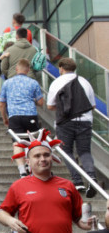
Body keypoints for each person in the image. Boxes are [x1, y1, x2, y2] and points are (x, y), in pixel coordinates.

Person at [46, 57, 97, 195]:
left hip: (65, 122)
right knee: (84, 151)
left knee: (66, 150)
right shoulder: (85, 82)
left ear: (61, 68)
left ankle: (78, 181)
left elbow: (50, 106)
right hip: (85, 121)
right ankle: (91, 177)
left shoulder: (57, 83)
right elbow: (92, 105)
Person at [0, 59, 45, 177]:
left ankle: (22, 170)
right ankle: (31, 166)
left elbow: (1, 104)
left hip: (14, 116)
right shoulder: (33, 83)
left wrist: (5, 118)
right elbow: (41, 102)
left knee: (17, 143)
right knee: (32, 142)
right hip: (30, 115)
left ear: (16, 69)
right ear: (28, 70)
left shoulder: (7, 83)